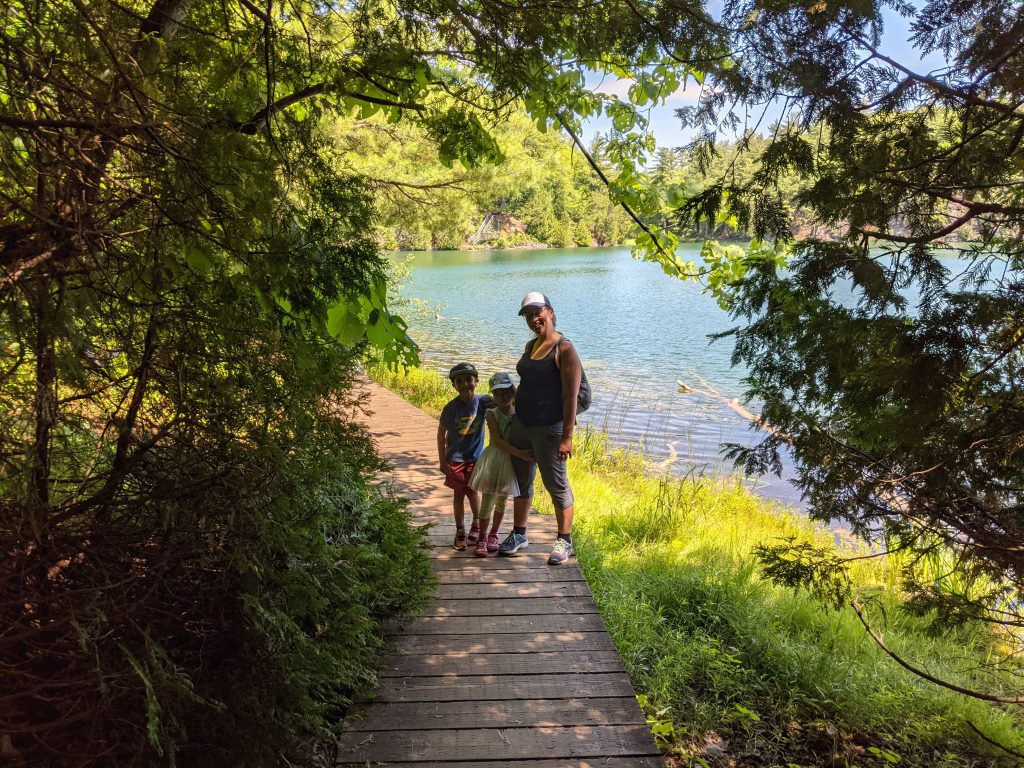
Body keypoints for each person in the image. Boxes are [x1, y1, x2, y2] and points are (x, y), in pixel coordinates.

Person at [498, 292, 582, 565]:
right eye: (528, 315)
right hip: (523, 422)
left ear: (551, 312)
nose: (534, 319)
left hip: (549, 428)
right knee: (522, 479)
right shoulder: (530, 345)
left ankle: (564, 540)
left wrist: (567, 437)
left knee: (555, 483)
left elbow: (571, 396)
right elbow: (527, 384)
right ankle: (519, 533)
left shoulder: (565, 349)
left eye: (538, 312)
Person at [467, 372, 533, 556]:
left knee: (503, 500)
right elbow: (498, 440)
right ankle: (482, 536)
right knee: (488, 499)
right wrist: (521, 454)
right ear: (493, 396)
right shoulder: (491, 414)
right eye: (497, 393)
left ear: (513, 391)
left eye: (506, 392)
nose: (502, 397)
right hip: (495, 459)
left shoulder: (519, 413)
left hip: (509, 463)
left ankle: (494, 535)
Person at [437, 362, 492, 551]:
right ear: (454, 385)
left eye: (469, 379)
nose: (465, 384)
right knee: (459, 494)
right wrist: (442, 460)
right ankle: (460, 530)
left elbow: (505, 401)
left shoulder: (484, 401)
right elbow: (441, 434)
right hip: (455, 459)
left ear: (477, 381)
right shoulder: (451, 408)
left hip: (476, 458)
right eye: (459, 381)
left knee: (473, 492)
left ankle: (476, 524)